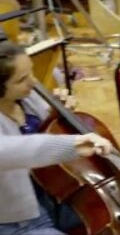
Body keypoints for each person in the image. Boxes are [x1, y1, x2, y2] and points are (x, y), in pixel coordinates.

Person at [0, 40, 112, 235]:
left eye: (31, 71)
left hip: (61, 196)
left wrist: (57, 114)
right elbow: (11, 150)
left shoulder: (29, 97)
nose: (33, 81)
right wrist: (74, 144)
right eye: (21, 80)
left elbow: (47, 132)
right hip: (20, 219)